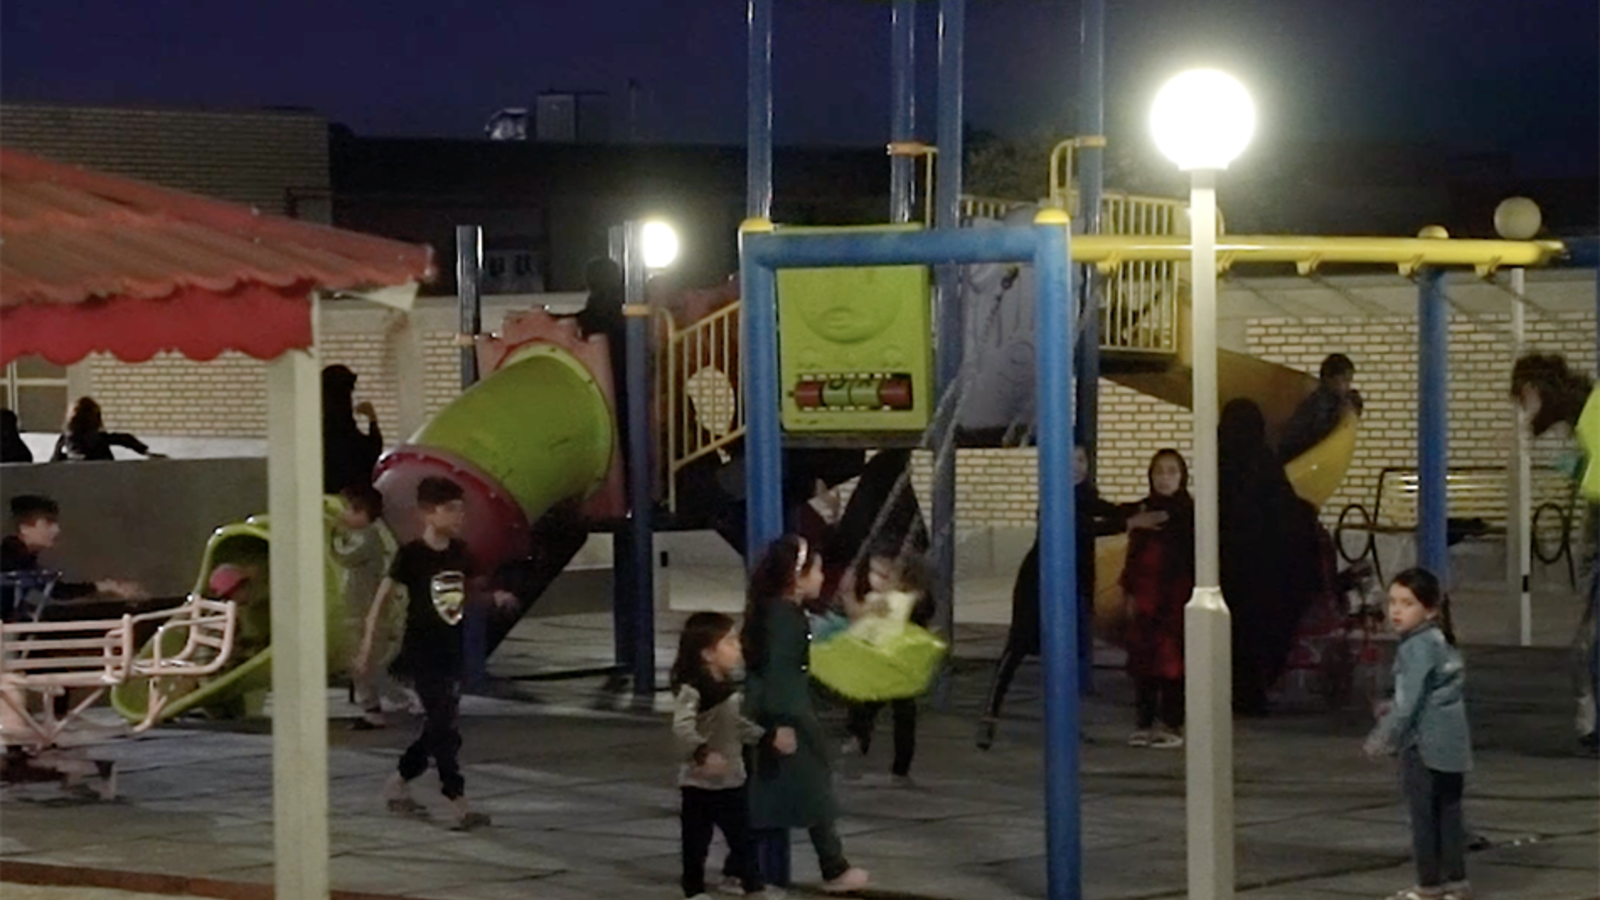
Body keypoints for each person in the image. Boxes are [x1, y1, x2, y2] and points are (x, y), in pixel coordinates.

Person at [355, 476, 513, 830]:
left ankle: (398, 782)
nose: (459, 516)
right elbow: (380, 602)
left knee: (439, 726)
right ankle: (457, 801)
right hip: (422, 651)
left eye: (461, 509)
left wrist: (493, 598)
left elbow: (467, 593)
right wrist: (367, 647)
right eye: (451, 509)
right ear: (428, 513)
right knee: (444, 728)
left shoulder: (460, 553)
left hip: (451, 650)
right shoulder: (411, 555)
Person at [979, 445, 1130, 750]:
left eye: (1081, 459)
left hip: (1072, 580)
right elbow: (1079, 527)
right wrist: (1128, 523)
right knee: (1018, 646)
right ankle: (990, 714)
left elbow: (1109, 510)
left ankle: (1066, 723)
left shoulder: (1086, 495)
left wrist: (1140, 508)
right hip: (1039, 578)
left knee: (1069, 652)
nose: (1076, 465)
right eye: (1069, 459)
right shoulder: (1053, 495)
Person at [742, 534, 869, 893]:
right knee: (813, 794)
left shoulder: (777, 613)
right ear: (796, 578)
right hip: (787, 718)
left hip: (778, 715)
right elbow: (779, 672)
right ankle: (833, 867)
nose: (822, 577)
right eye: (816, 571)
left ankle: (741, 867)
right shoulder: (785, 620)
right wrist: (782, 722)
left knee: (771, 797)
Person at [1510, 352, 1600, 751]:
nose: (1524, 413)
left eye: (1523, 400)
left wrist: (1570, 468)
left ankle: (1592, 719)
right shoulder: (1586, 412)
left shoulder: (1590, 416)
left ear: (1534, 390)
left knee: (1588, 645)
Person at [1364, 568, 1472, 900]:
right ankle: (1456, 881)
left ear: (1430, 609)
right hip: (1452, 744)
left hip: (1422, 745)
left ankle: (1428, 885)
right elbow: (1434, 693)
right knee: (1449, 815)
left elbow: (1408, 704)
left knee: (1423, 817)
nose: (1396, 611)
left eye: (1407, 603)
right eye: (1393, 602)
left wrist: (1382, 737)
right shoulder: (1441, 641)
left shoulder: (1415, 647)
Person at [1220, 398, 1330, 715]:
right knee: (1262, 634)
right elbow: (1285, 514)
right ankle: (1254, 691)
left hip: (1231, 571)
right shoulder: (1265, 464)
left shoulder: (1223, 464)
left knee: (1235, 635)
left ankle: (1235, 691)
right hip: (1270, 574)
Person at [671, 611, 766, 900]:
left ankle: (752, 886)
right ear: (707, 653)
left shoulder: (727, 688)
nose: (738, 648)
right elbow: (682, 727)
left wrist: (765, 737)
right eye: (730, 642)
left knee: (743, 837)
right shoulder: (693, 690)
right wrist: (701, 753)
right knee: (696, 841)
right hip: (699, 783)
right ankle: (694, 890)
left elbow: (735, 724)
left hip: (731, 779)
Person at [839, 546, 934, 782]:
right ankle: (860, 736)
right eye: (873, 573)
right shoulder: (881, 599)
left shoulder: (910, 600)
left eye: (883, 575)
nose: (876, 580)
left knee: (904, 713)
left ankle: (900, 768)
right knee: (867, 702)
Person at [1121, 449, 1195, 749]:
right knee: (1143, 659)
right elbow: (1133, 555)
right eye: (1159, 472)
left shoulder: (1189, 513)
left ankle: (1171, 723)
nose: (1165, 478)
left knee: (1171, 660)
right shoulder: (1144, 512)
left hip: (1175, 596)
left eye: (1171, 471)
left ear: (1182, 476)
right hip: (1144, 595)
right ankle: (1144, 722)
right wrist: (1128, 592)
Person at [1, 494, 140, 620]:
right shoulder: (10, 560)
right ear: (24, 528)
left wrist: (105, 586)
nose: (56, 530)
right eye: (48, 523)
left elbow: (57, 590)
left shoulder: (21, 558)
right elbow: (57, 591)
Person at [334, 484, 402, 731]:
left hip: (365, 611)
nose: (343, 515)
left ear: (363, 512)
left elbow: (345, 555)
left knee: (366, 664)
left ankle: (397, 701)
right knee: (362, 664)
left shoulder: (369, 537)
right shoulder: (363, 535)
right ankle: (374, 708)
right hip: (356, 609)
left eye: (349, 510)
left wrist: (334, 535)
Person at [1279, 353, 1365, 463]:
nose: (1347, 386)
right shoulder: (1319, 403)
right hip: (1299, 456)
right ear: (1329, 380)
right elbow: (1322, 432)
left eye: (1349, 381)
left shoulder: (1330, 398)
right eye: (1344, 380)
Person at [322, 365, 383, 495]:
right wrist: (372, 421)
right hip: (351, 496)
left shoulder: (314, 424)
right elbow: (370, 454)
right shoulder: (343, 427)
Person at [51, 397, 157, 462]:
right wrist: (145, 451)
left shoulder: (67, 438)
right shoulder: (97, 438)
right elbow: (124, 439)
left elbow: (55, 459)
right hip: (102, 471)